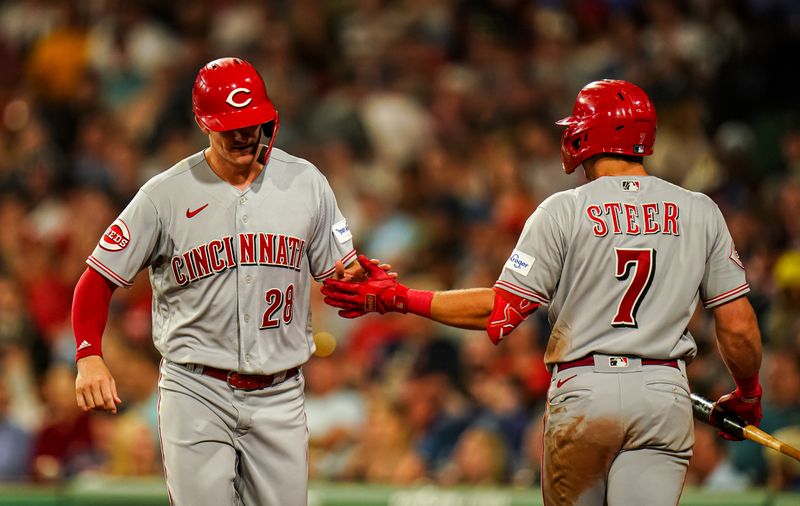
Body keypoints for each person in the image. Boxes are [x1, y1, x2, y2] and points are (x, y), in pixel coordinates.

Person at [322, 79, 763, 505]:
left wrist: (398, 297)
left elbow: (499, 310)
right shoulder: (700, 210)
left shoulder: (563, 209)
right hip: (665, 390)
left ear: (588, 135)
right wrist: (747, 393)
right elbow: (738, 326)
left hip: (586, 388)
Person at [72, 57, 375, 505]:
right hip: (196, 388)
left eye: (250, 122)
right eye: (228, 125)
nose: (242, 134)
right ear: (202, 123)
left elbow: (340, 274)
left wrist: (364, 284)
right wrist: (88, 355)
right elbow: (96, 280)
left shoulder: (306, 182)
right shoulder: (164, 195)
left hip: (280, 390)